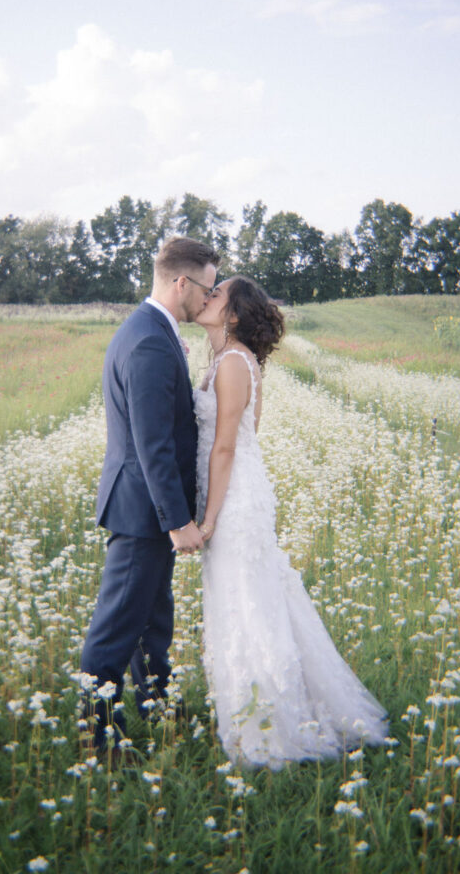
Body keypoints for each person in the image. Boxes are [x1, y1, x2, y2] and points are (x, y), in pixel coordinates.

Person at [195, 275, 388, 768]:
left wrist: (210, 516)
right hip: (232, 493)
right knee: (243, 599)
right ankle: (251, 713)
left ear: (234, 315)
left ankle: (270, 726)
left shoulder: (234, 363)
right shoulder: (223, 359)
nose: (207, 295)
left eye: (217, 294)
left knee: (249, 601)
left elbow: (226, 446)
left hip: (234, 502)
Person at [80, 236, 219, 749]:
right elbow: (152, 444)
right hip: (142, 512)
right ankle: (97, 738)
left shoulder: (154, 331)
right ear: (181, 282)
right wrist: (177, 521)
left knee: (151, 622)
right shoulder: (148, 342)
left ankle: (158, 709)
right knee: (116, 628)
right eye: (206, 288)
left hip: (146, 510)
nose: (209, 298)